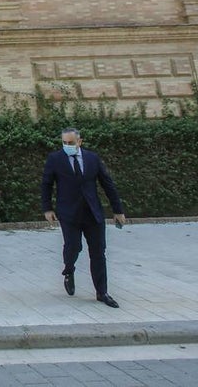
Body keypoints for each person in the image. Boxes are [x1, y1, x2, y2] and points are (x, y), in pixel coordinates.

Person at [41, 127, 128, 309]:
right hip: (68, 213)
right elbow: (46, 185)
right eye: (64, 143)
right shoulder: (55, 159)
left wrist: (117, 210)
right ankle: (69, 270)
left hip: (92, 212)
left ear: (80, 142)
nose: (67, 146)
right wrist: (47, 208)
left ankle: (101, 292)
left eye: (71, 143)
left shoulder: (92, 159)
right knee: (73, 247)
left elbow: (107, 184)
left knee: (98, 252)